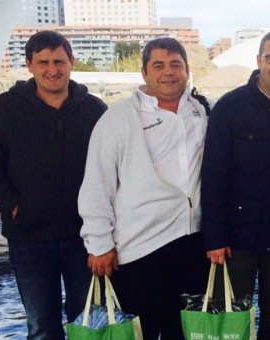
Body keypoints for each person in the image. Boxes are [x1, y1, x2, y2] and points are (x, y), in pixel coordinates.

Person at [0, 30, 106, 339]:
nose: (52, 69)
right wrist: (15, 206)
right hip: (29, 238)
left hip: (85, 238)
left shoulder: (95, 110)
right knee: (41, 327)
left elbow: (112, 170)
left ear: (71, 62)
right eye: (43, 62)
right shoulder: (5, 108)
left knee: (89, 325)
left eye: (59, 61)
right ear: (29, 64)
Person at [78, 37, 212, 339]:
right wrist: (99, 243)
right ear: (144, 72)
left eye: (175, 64)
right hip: (138, 250)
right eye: (159, 65)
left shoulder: (202, 111)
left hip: (191, 244)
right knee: (142, 332)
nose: (168, 72)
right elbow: (97, 183)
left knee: (186, 332)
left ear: (187, 70)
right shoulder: (118, 118)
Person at [200, 30, 270, 340]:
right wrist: (215, 236)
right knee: (231, 318)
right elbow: (212, 176)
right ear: (258, 60)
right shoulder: (229, 108)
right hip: (237, 238)